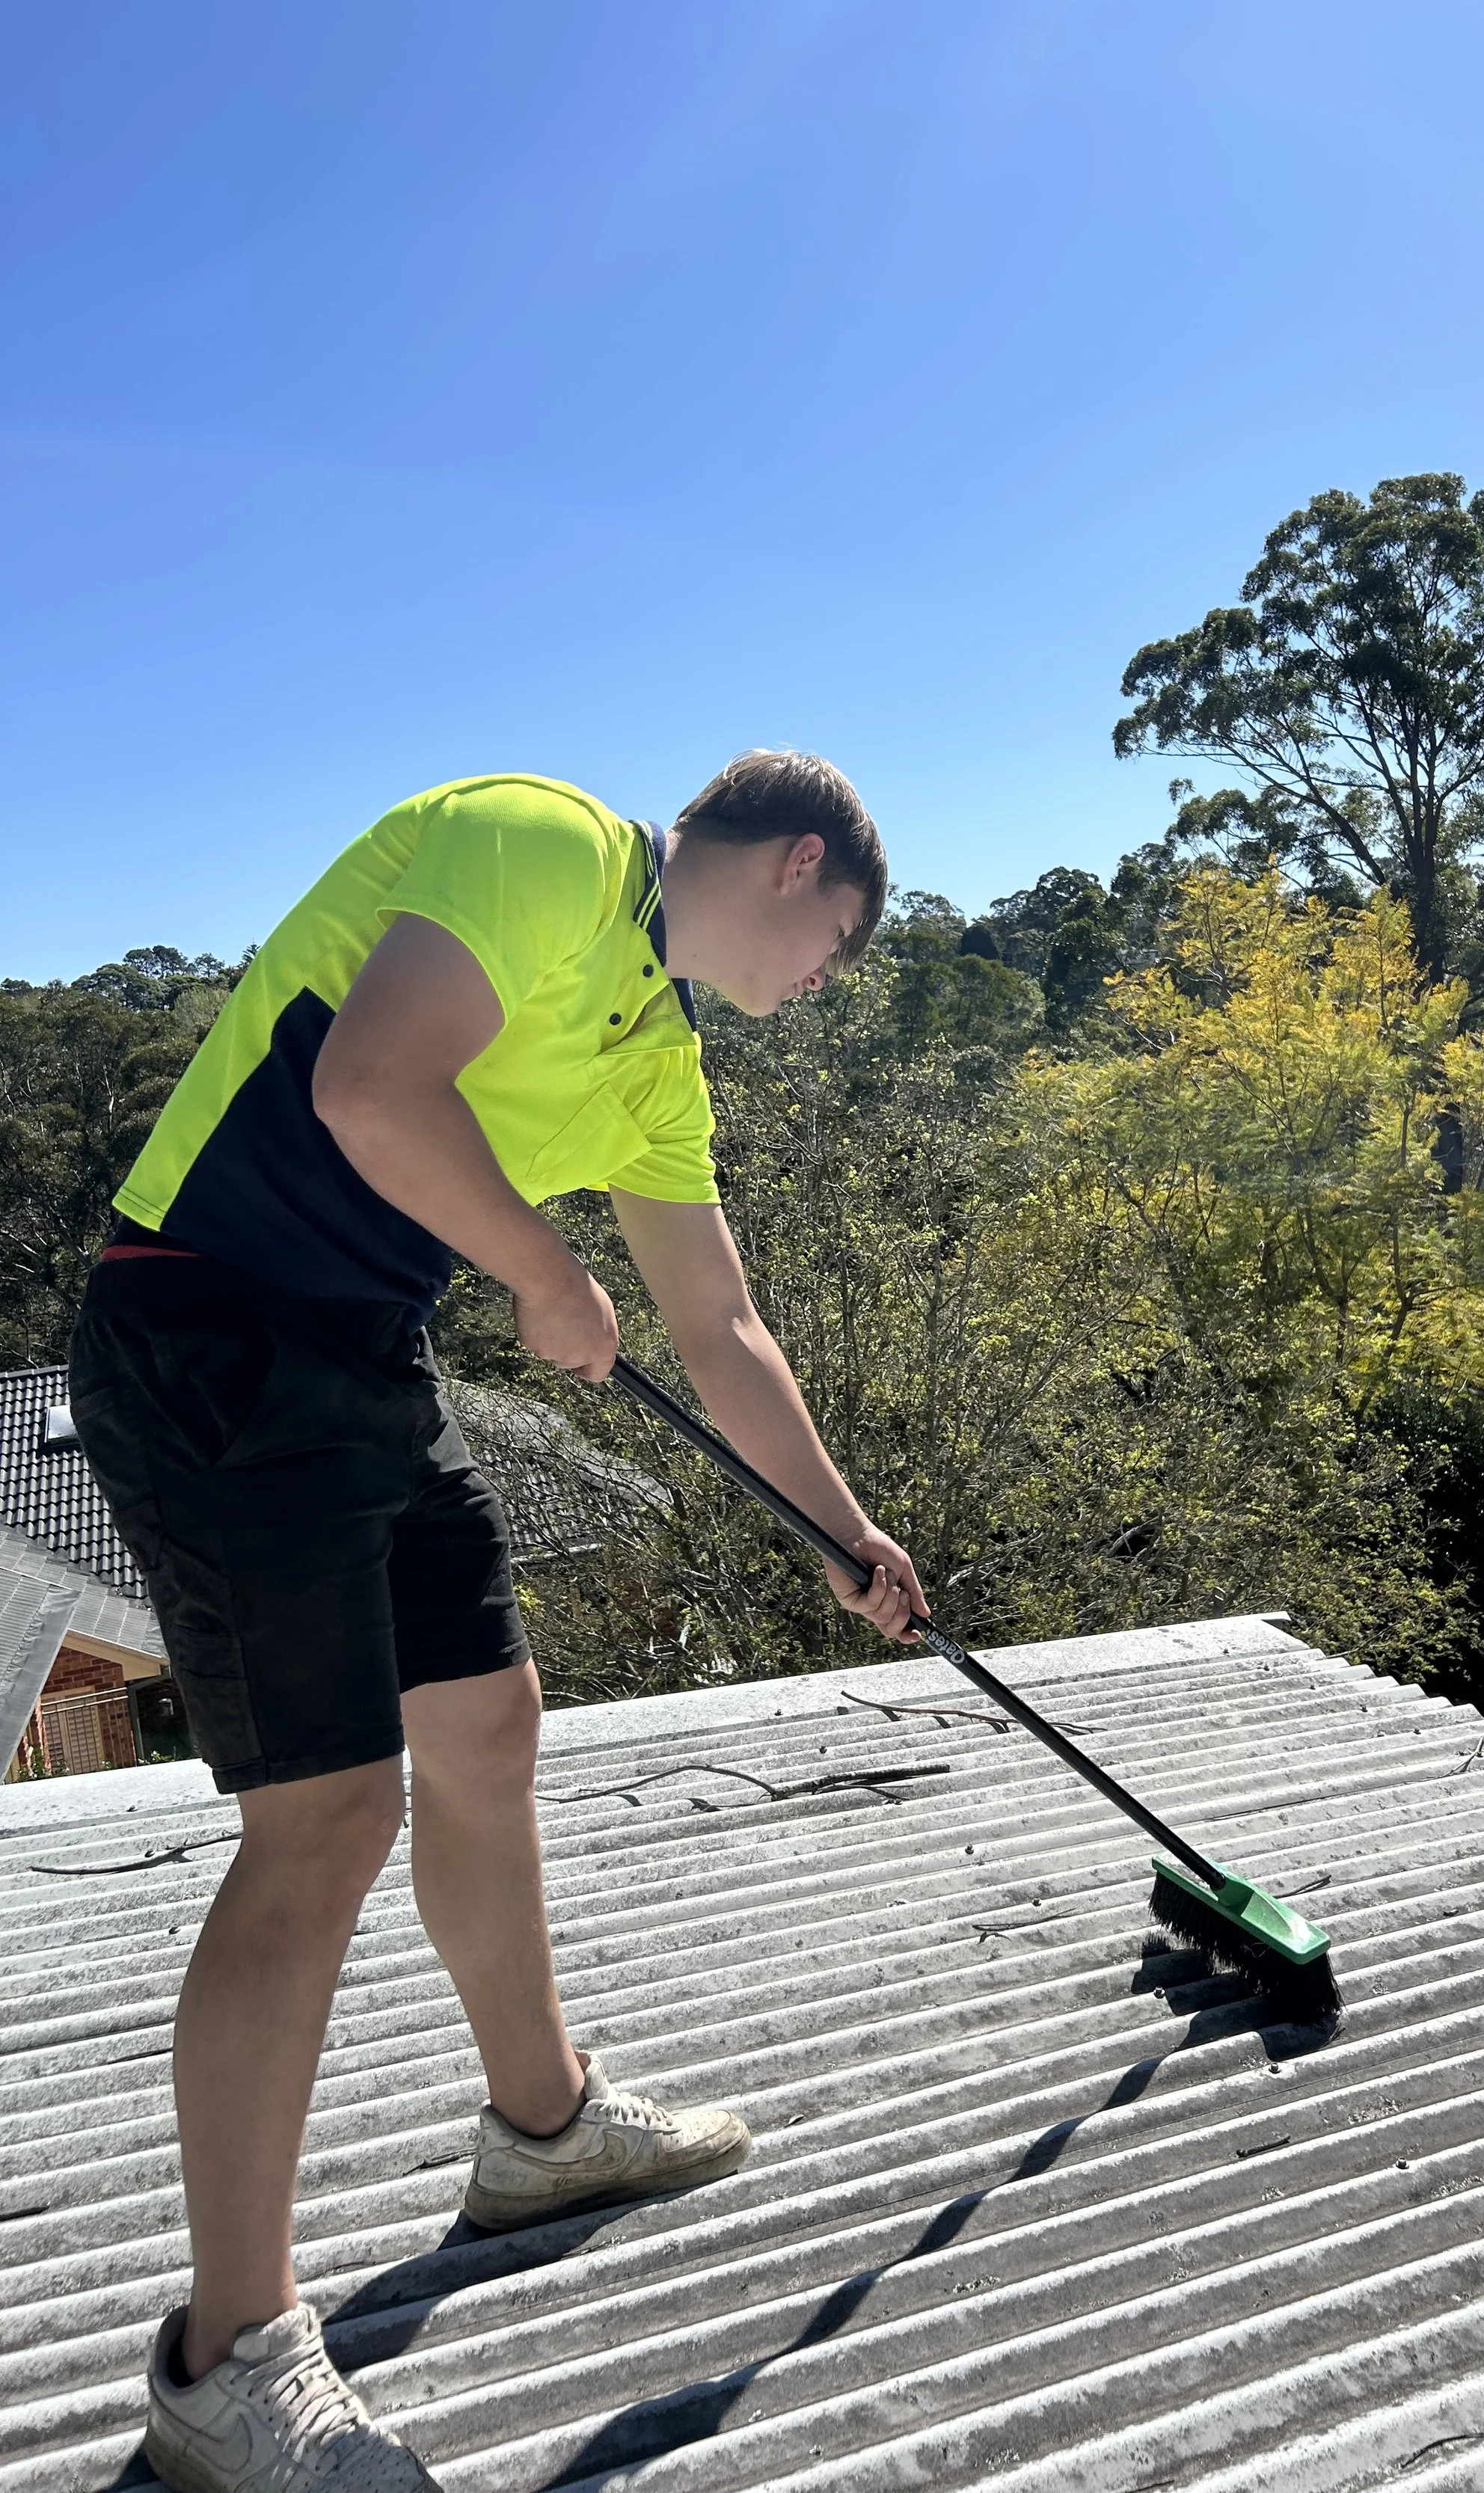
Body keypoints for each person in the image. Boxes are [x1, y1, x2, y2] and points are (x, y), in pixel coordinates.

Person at [69, 753, 929, 2493]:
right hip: (206, 1327)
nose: (813, 989)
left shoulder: (656, 1060)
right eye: (830, 948)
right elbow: (371, 1093)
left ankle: (538, 2129)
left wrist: (842, 1533)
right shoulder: (541, 841)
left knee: (487, 1723)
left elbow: (721, 1326)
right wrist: (543, 1278)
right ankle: (223, 2358)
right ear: (794, 865)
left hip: (364, 1351)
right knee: (324, 1816)